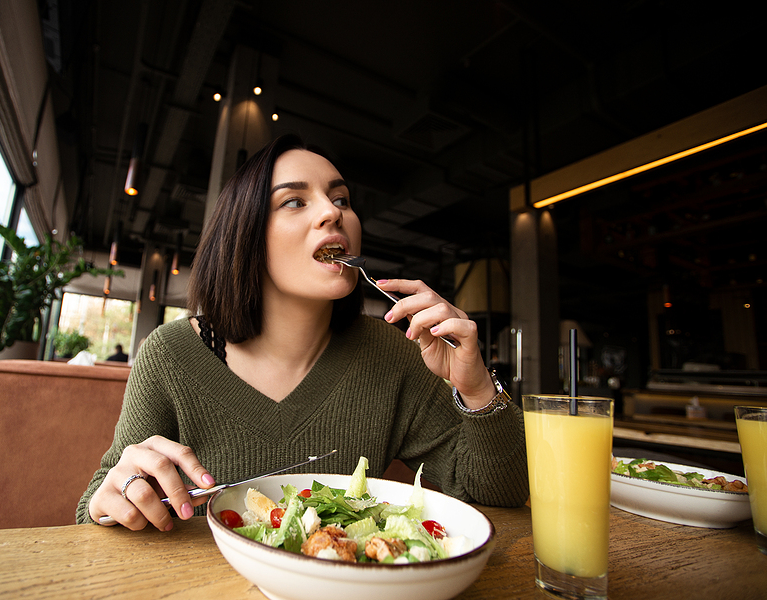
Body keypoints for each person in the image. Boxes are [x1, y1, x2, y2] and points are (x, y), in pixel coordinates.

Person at [77, 134, 529, 531]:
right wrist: (118, 496)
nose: (333, 212)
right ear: (246, 236)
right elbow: (96, 506)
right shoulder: (172, 354)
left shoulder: (395, 355)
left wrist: (476, 388)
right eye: (294, 200)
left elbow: (500, 494)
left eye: (342, 199)